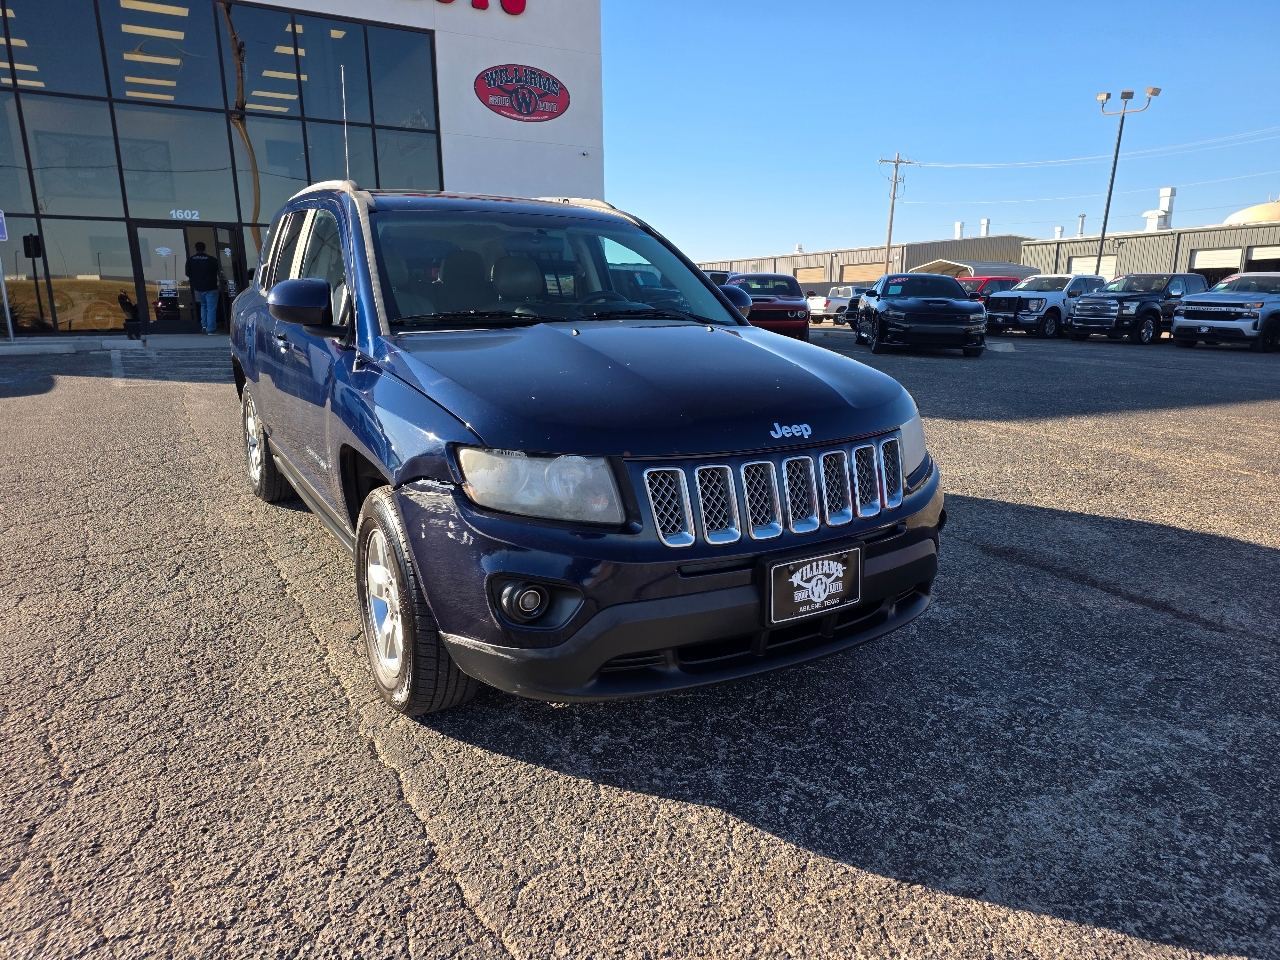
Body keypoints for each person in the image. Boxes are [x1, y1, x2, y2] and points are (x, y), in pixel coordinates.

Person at [184, 242, 222, 335]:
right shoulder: (212, 260)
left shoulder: (190, 260)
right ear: (205, 249)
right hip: (211, 287)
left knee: (203, 306)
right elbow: (219, 271)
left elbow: (187, 273)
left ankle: (204, 326)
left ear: (195, 249)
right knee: (211, 308)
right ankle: (211, 330)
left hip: (198, 288)